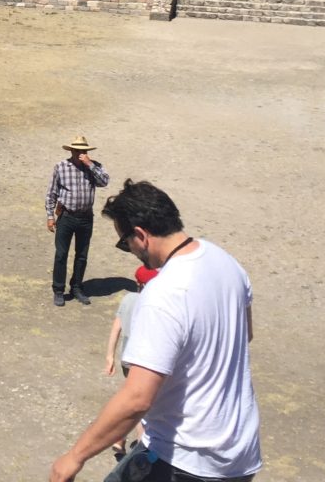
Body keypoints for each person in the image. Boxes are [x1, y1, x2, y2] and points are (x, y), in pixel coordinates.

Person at [50, 179, 261, 482]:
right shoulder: (227, 263)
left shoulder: (163, 292)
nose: (131, 252)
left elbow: (137, 398)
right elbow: (246, 334)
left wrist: (74, 457)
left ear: (141, 235)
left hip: (186, 459)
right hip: (240, 455)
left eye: (126, 243)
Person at [45, 137, 110, 306]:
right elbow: (51, 193)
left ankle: (77, 287)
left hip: (86, 218)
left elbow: (104, 181)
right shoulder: (61, 167)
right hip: (66, 217)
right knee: (61, 254)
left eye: (84, 151)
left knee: (82, 255)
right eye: (78, 151)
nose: (81, 154)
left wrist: (90, 165)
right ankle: (58, 289)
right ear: (71, 151)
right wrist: (50, 217)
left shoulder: (94, 167)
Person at [104, 265, 159, 460]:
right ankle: (144, 449)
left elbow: (115, 329)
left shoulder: (128, 299)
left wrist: (110, 356)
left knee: (130, 397)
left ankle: (119, 439)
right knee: (144, 407)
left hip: (126, 360)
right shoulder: (155, 306)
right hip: (144, 363)